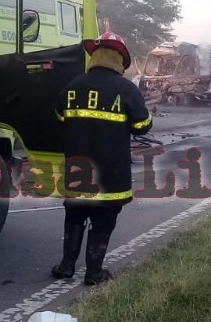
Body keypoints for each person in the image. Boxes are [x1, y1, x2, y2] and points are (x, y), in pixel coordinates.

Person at [50, 32, 152, 285]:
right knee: (103, 221)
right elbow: (143, 126)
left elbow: (60, 118)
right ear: (120, 60)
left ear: (94, 57)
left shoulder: (72, 86)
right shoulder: (126, 89)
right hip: (110, 173)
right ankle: (94, 273)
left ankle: (66, 267)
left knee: (74, 216)